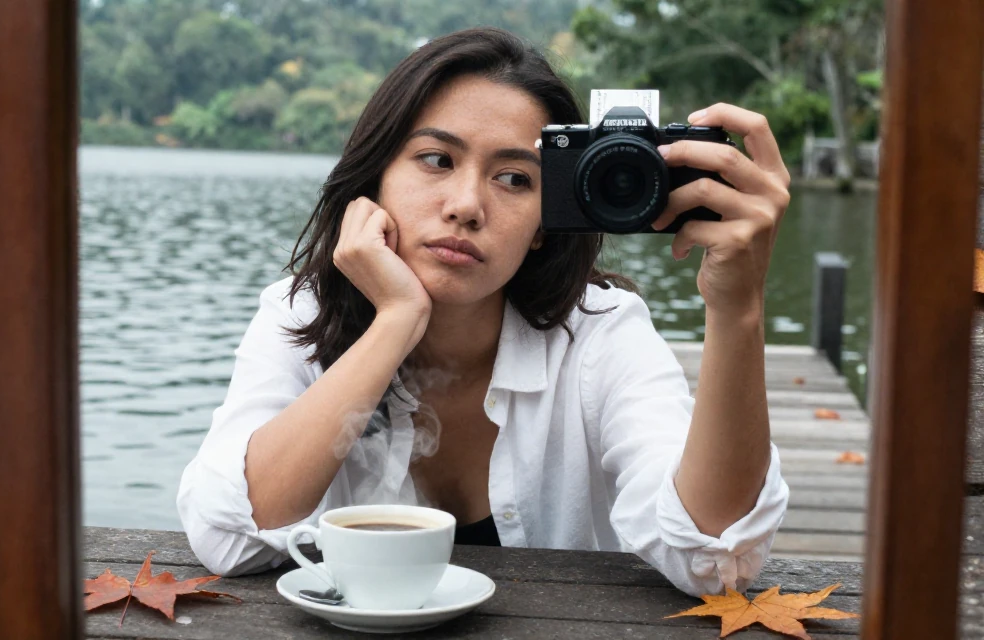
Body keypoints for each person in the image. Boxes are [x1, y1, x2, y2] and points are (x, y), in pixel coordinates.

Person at [176, 26, 791, 597]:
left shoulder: (600, 332)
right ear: (375, 180)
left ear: (548, 222)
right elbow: (229, 536)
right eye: (436, 160)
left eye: (515, 179)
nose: (466, 205)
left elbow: (713, 554)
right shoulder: (300, 313)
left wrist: (738, 309)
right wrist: (395, 322)